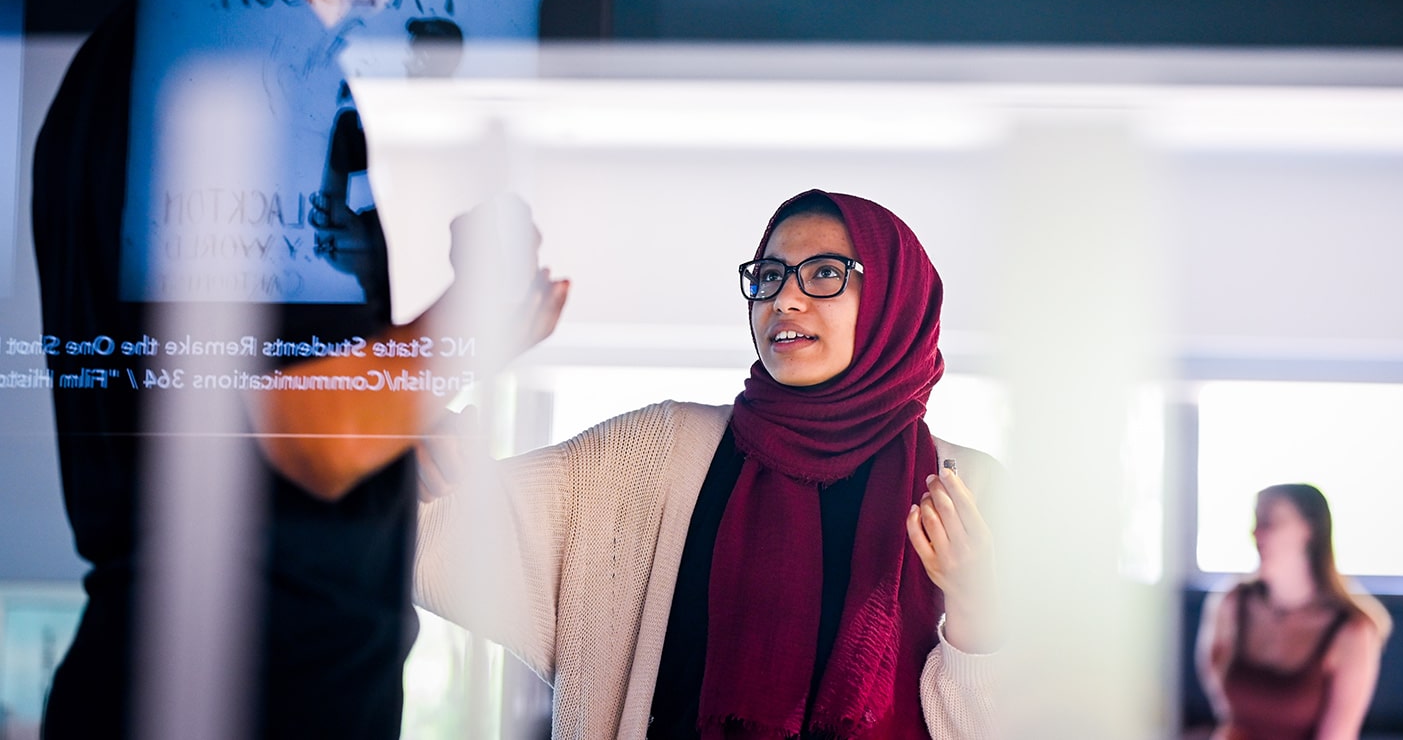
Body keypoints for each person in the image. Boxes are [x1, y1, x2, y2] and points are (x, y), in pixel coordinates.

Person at [30, 0, 566, 737]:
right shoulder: (249, 53)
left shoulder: (162, 45)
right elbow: (310, 434)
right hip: (236, 691)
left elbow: (239, 405)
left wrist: (397, 427)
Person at [414, 189, 1003, 738]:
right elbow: (451, 527)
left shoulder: (973, 493)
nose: (785, 298)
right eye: (768, 276)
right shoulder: (658, 453)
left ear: (896, 300)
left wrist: (974, 602)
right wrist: (412, 451)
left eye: (825, 273)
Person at [1196, 483, 1391, 740]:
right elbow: (1218, 689)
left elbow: (1337, 735)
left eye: (1270, 522)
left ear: (1308, 530)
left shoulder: (1353, 630)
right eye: (1256, 521)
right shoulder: (1231, 604)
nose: (1257, 533)